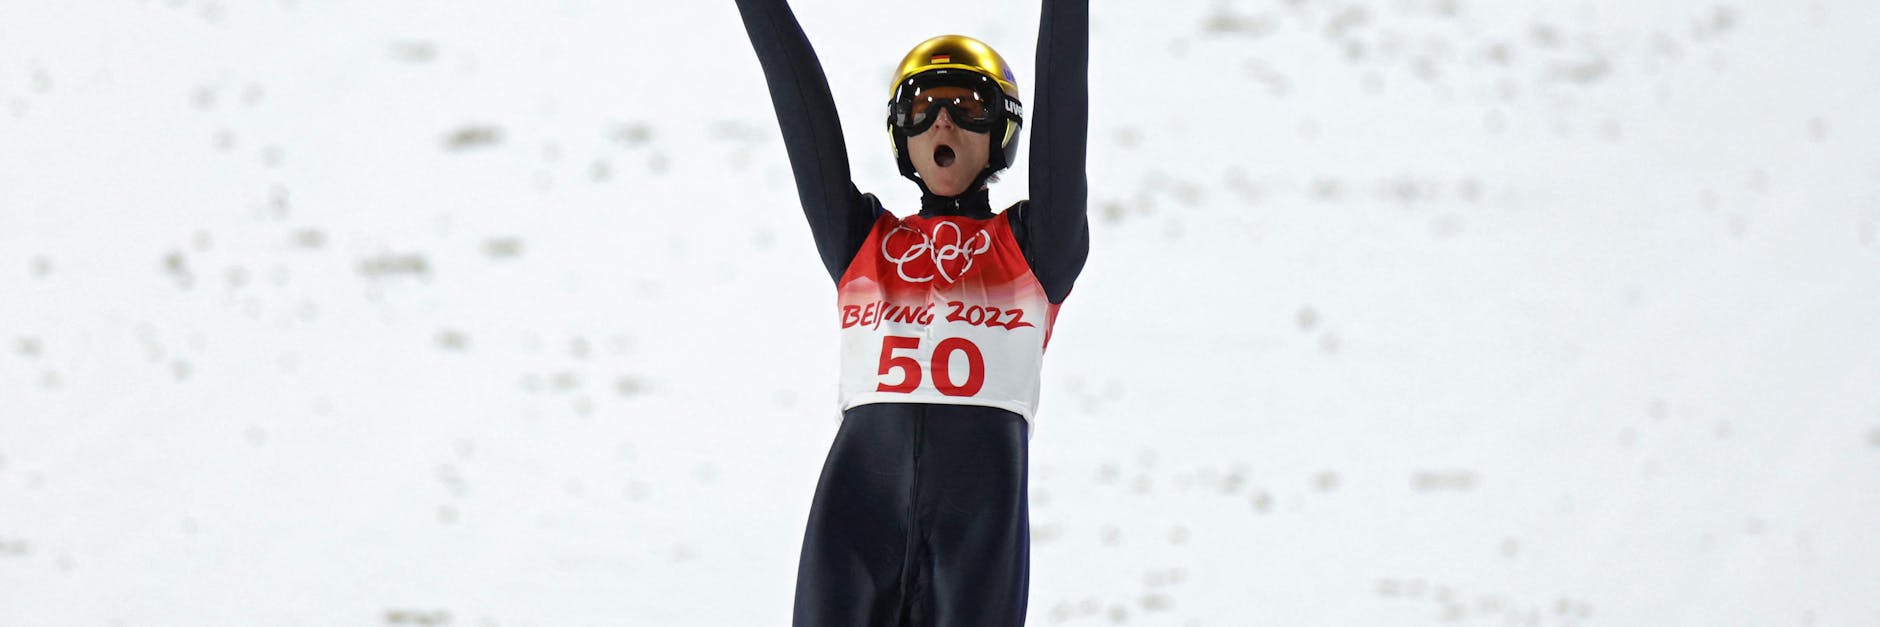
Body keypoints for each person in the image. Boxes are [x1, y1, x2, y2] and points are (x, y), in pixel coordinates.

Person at [734, 0, 1088, 625]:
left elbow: (1063, 110)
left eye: (969, 107)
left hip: (976, 528)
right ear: (901, 133)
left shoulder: (1035, 251)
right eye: (922, 108)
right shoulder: (862, 244)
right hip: (854, 518)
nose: (943, 124)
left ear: (1001, 131)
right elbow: (798, 101)